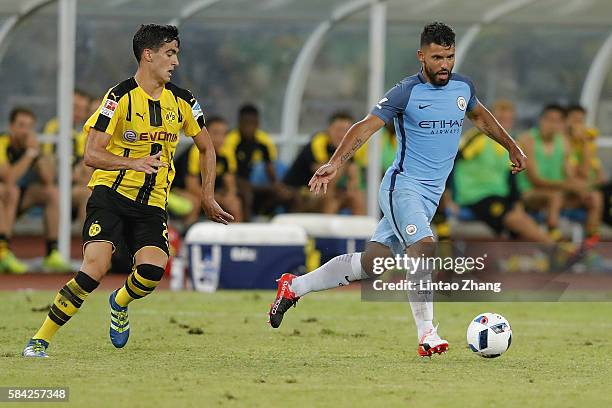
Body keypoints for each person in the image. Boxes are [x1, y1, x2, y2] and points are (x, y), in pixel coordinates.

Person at [267, 22, 526, 357]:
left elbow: (481, 117)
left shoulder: (463, 87)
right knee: (424, 245)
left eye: (449, 56)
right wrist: (336, 162)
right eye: (436, 57)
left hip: (430, 195)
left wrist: (511, 146)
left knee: (374, 265)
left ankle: (294, 286)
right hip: (402, 187)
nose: (444, 64)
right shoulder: (406, 92)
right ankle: (427, 333)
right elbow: (364, 127)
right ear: (421, 56)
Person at [22, 24, 232, 358]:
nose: (176, 61)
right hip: (111, 196)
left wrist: (207, 195)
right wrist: (131, 163)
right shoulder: (118, 98)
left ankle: (119, 302)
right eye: (170, 53)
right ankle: (40, 339)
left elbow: (207, 148)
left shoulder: (183, 100)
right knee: (95, 267)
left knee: (152, 271)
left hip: (151, 203)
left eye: (176, 53)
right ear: (148, 55)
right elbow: (92, 154)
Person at [451, 100, 553, 242]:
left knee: (522, 220)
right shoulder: (477, 137)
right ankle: (555, 249)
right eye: (500, 120)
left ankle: (543, 256)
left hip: (499, 196)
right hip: (476, 196)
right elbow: (451, 163)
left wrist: (517, 203)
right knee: (516, 221)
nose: (504, 124)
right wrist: (449, 198)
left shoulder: (511, 144)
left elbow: (511, 177)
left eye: (509, 120)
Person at [517, 104, 601, 244]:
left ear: (561, 124)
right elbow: (536, 180)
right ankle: (555, 242)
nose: (552, 124)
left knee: (594, 197)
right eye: (548, 119)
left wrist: (580, 188)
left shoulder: (564, 142)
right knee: (555, 196)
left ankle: (590, 245)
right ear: (540, 120)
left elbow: (573, 174)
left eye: (557, 121)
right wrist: (569, 185)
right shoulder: (528, 140)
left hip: (559, 195)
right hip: (530, 194)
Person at [0, 107, 72, 272]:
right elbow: (8, 179)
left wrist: (38, 154)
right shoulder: (3, 143)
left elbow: (48, 179)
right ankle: (3, 253)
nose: (25, 131)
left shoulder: (32, 147)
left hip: (16, 201)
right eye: (21, 125)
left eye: (29, 126)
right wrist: (30, 154)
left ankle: (52, 252)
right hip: (4, 199)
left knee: (52, 193)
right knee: (9, 190)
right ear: (11, 126)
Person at [283, 112, 365, 215]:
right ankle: (325, 230)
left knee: (356, 196)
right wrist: (344, 164)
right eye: (338, 130)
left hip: (324, 191)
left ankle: (361, 230)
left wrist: (351, 190)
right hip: (298, 192)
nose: (342, 135)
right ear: (328, 129)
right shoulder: (318, 142)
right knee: (331, 198)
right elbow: (325, 176)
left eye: (347, 131)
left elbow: (354, 178)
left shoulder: (349, 147)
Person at [223, 104, 294, 219]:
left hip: (253, 184)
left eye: (252, 123)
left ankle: (272, 219)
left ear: (257, 124)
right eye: (246, 123)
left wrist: (277, 186)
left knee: (287, 194)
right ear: (240, 123)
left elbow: (270, 167)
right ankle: (247, 226)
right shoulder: (231, 141)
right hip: (234, 182)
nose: (249, 127)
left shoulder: (263, 141)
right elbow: (230, 173)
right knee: (246, 193)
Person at [176, 115, 242, 224]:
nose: (220, 138)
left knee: (235, 203)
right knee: (194, 203)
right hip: (178, 190)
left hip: (212, 194)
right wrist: (216, 199)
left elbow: (230, 182)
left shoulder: (227, 153)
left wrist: (229, 196)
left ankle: (235, 238)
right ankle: (187, 237)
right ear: (205, 133)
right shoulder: (196, 152)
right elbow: (191, 187)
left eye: (224, 134)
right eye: (215, 133)